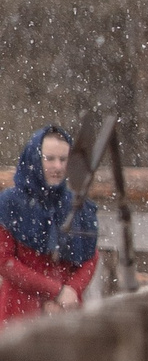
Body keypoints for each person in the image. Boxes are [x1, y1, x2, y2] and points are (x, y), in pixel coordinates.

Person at [0, 127, 99, 326]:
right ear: (35, 159)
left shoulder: (76, 205)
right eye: (50, 158)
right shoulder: (10, 203)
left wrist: (71, 291)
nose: (57, 166)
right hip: (20, 312)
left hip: (67, 314)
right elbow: (5, 262)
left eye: (63, 159)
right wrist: (55, 291)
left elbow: (90, 256)